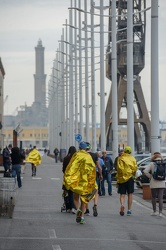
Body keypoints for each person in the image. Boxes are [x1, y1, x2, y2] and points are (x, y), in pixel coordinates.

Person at [63, 141, 98, 224]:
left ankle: (78, 209)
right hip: (85, 181)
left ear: (79, 148)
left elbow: (71, 167)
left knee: (75, 198)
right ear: (86, 148)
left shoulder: (76, 155)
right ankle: (82, 217)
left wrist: (68, 178)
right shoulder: (88, 156)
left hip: (77, 181)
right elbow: (92, 169)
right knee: (83, 200)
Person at [116, 146, 137, 216]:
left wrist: (118, 178)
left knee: (122, 194)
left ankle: (122, 205)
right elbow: (135, 168)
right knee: (130, 194)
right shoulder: (133, 158)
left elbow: (118, 169)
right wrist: (133, 175)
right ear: (130, 152)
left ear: (124, 151)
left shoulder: (120, 158)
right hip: (130, 178)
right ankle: (129, 210)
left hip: (122, 178)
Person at [143, 153, 165, 217]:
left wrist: (151, 177)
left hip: (154, 182)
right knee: (160, 198)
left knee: (153, 197)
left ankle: (154, 211)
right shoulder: (163, 163)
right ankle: (160, 213)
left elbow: (145, 171)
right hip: (162, 182)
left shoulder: (152, 163)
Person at [84, 143, 103, 217]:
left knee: (85, 193)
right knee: (95, 191)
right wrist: (100, 175)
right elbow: (99, 167)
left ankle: (87, 210)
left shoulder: (82, 155)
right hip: (93, 176)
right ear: (90, 148)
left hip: (84, 177)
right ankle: (95, 204)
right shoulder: (95, 155)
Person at [62, 146, 77, 213]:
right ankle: (74, 207)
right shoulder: (76, 158)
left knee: (68, 192)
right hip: (75, 178)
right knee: (75, 193)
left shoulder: (66, 158)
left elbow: (63, 169)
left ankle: (69, 207)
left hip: (67, 177)